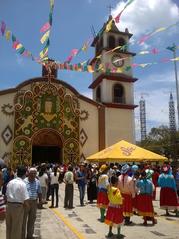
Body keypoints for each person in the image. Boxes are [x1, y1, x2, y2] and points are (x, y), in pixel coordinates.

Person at [5, 166, 29, 239]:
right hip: (18, 207)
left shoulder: (10, 182)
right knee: (16, 229)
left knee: (9, 227)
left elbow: (6, 195)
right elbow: (25, 199)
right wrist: (28, 207)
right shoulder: (23, 184)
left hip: (8, 206)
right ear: (25, 174)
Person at [22, 168, 42, 239]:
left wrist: (40, 201)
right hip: (25, 202)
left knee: (32, 219)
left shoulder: (37, 181)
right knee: (23, 220)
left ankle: (29, 236)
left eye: (35, 173)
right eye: (32, 173)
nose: (33, 175)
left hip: (34, 202)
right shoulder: (24, 181)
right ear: (28, 173)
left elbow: (39, 192)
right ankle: (22, 236)